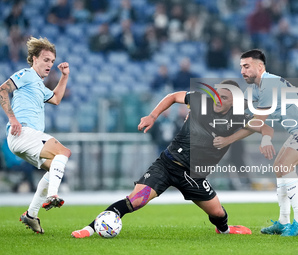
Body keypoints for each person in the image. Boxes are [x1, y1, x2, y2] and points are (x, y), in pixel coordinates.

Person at [71, 79, 275, 238]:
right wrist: (152, 116)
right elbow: (173, 96)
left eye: (226, 97)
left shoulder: (239, 116)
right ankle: (89, 229)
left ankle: (224, 230)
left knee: (218, 214)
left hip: (194, 176)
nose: (219, 99)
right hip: (167, 165)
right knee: (135, 201)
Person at [239, 49, 298, 236]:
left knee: (286, 165)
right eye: (241, 67)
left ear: (260, 66)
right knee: (279, 167)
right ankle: (283, 221)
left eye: (246, 66)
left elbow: (257, 121)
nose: (242, 71)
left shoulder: (269, 84)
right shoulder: (256, 87)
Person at [0, 36, 71, 234]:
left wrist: (64, 76)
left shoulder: (39, 86)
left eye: (52, 61)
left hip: (26, 139)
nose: (50, 64)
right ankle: (54, 195)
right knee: (64, 152)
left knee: (55, 167)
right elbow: (2, 90)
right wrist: (12, 119)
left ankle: (31, 215)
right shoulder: (26, 74)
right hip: (23, 132)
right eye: (46, 60)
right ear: (34, 59)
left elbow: (56, 98)